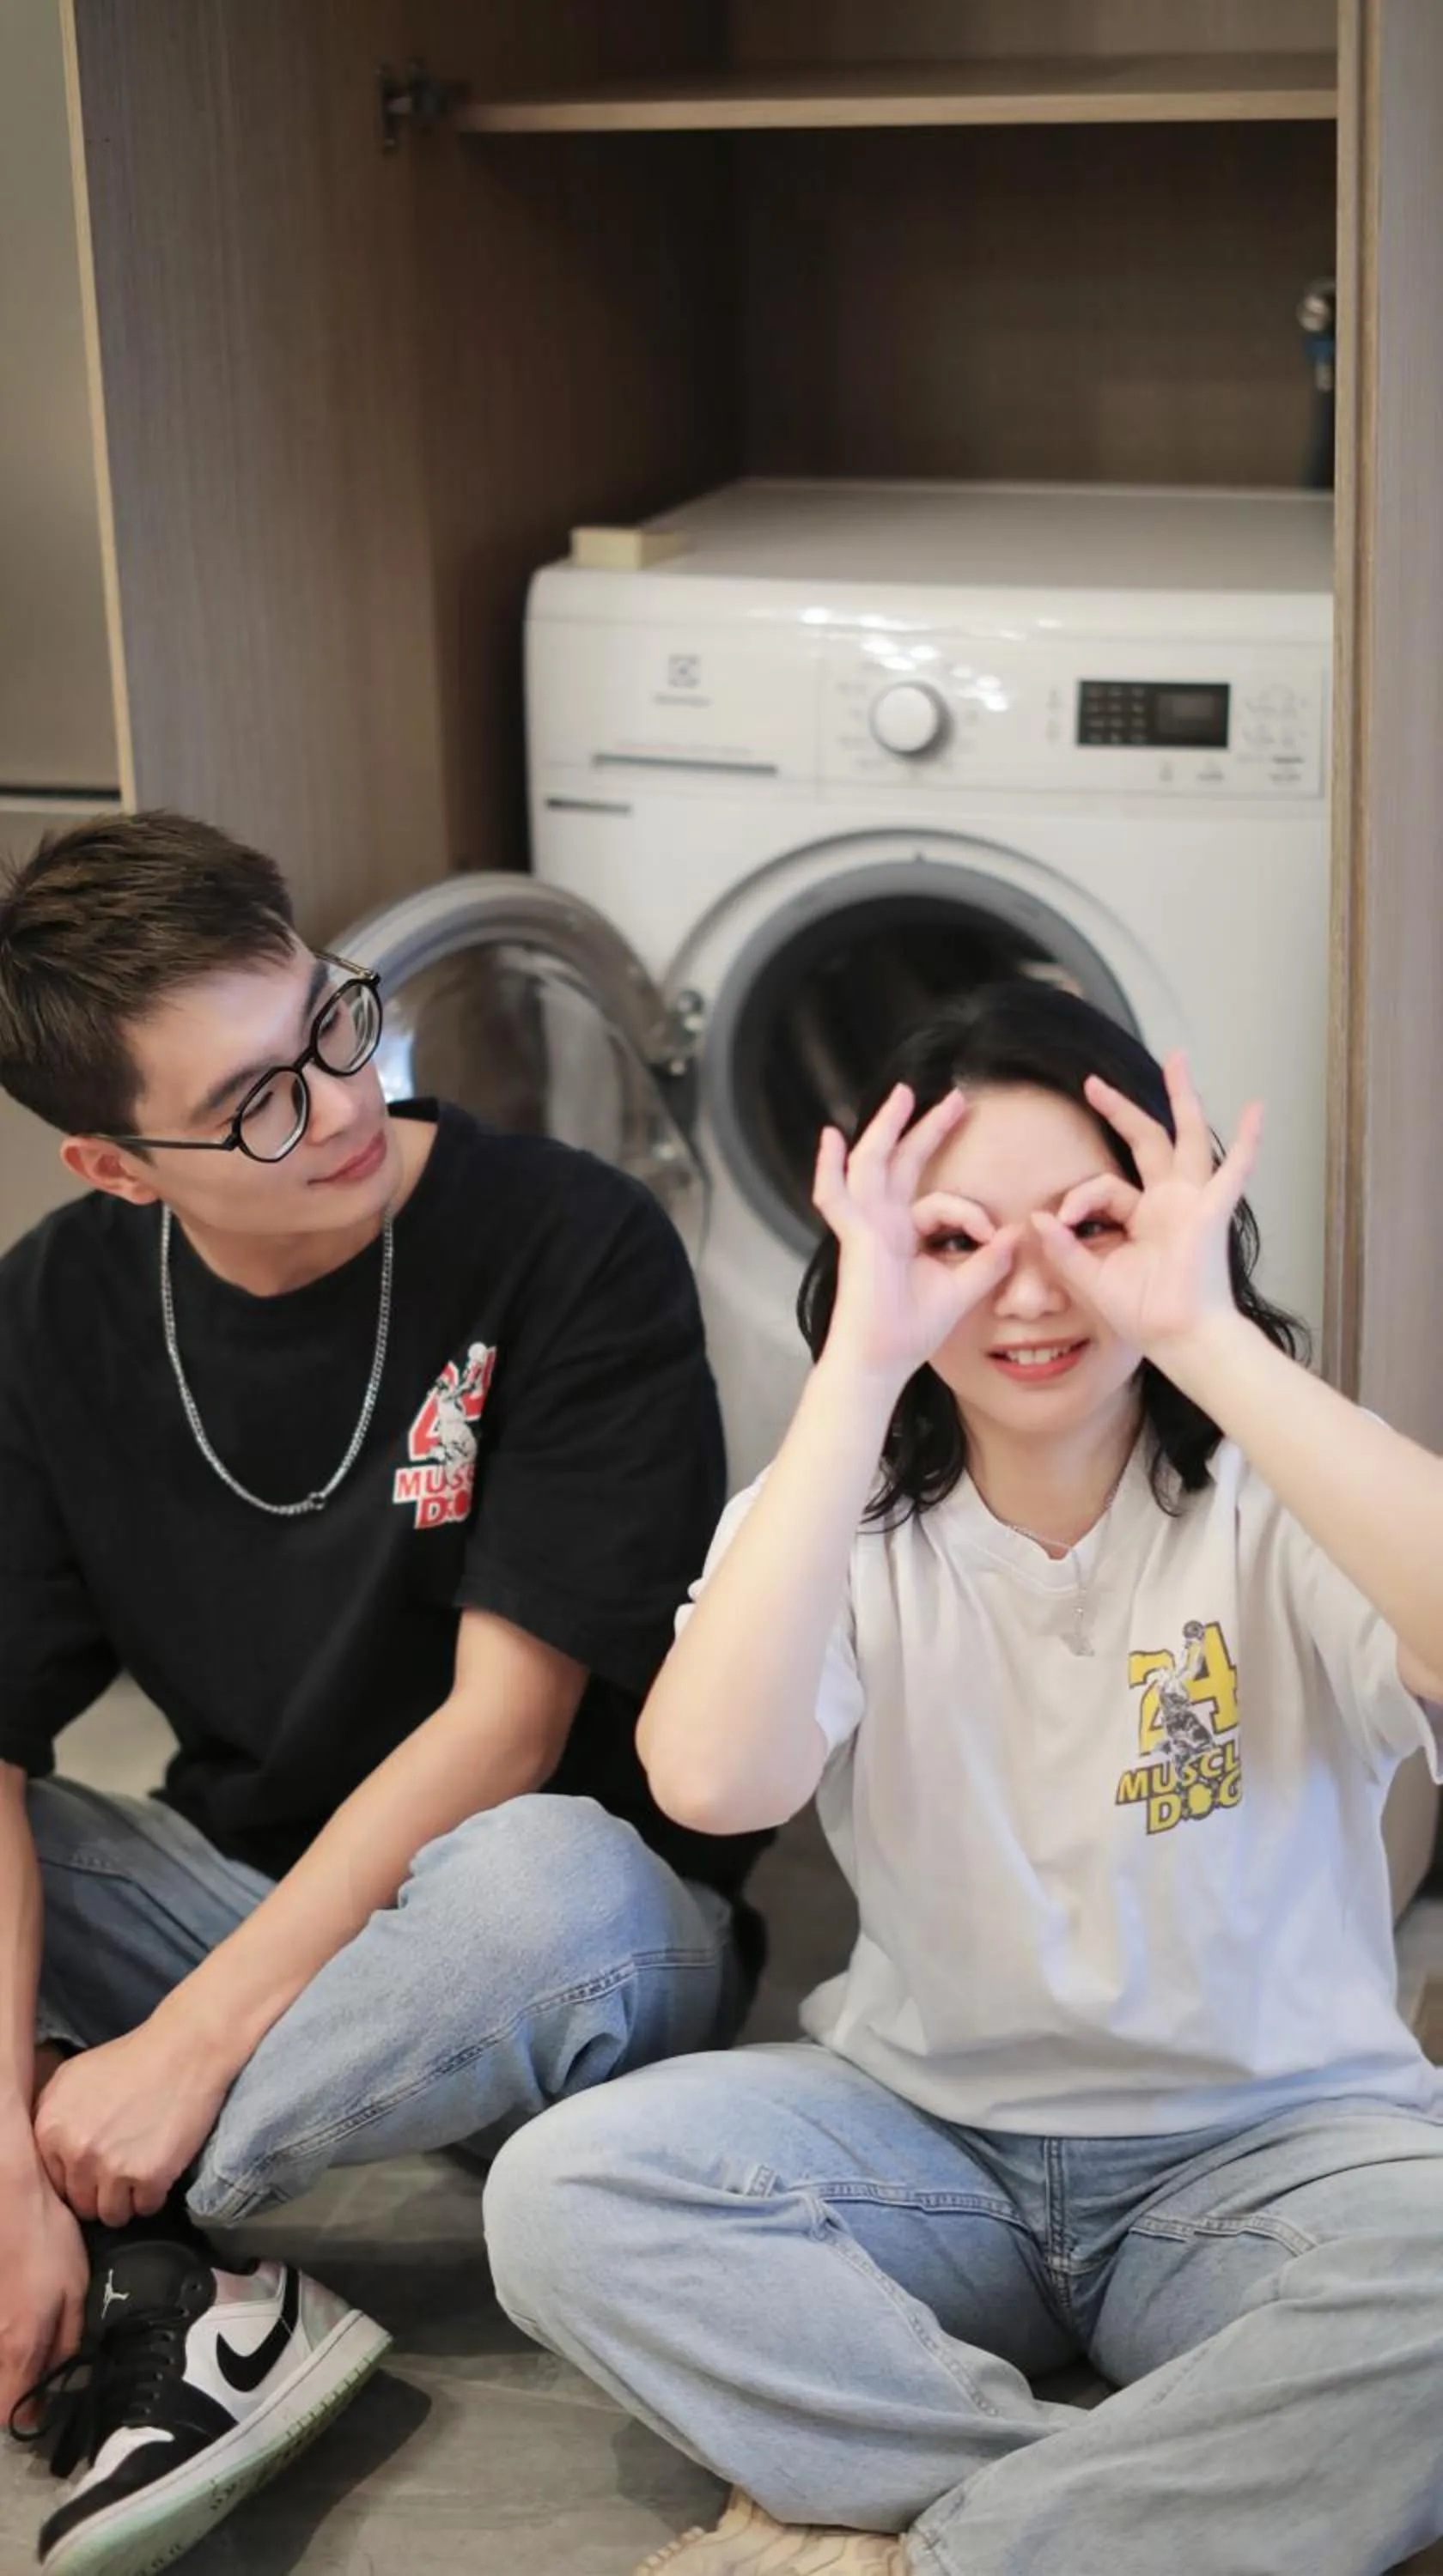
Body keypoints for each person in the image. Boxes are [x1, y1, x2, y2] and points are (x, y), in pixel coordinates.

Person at [483, 981, 1443, 2576]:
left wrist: (1199, 1333)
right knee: (569, 2194)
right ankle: (1151, 2510)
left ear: (1181, 1226)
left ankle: (927, 2551)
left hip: (1276, 2149)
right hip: (927, 2144)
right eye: (955, 1240)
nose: (1032, 1287)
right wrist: (857, 1375)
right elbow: (713, 1784)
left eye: (1091, 1223)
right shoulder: (832, 1522)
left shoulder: (1285, 1500)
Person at [0, 812, 768, 2573]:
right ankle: (165, 2273)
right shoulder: (49, 1317)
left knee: (536, 1873)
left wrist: (182, 2057)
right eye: (262, 1099)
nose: (341, 1104)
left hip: (568, 1920)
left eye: (338, 1022)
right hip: (251, 1902)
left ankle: (157, 2235)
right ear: (116, 1171)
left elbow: (508, 1731)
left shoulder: (568, 1241)